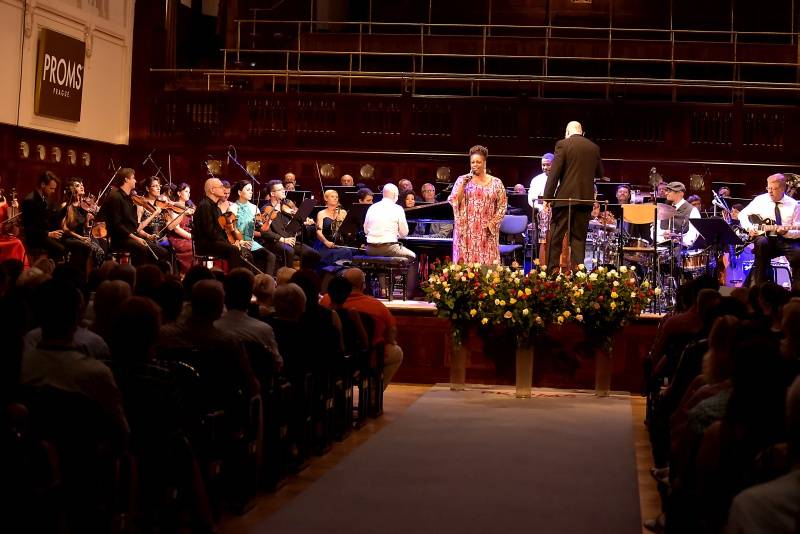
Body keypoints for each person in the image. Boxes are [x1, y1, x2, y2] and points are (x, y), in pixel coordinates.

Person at [543, 121, 604, 272]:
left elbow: (554, 173)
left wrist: (548, 197)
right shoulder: (593, 147)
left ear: (567, 132)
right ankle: (579, 273)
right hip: (585, 199)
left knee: (556, 236)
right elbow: (600, 173)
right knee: (579, 238)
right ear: (582, 132)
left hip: (565, 199)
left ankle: (552, 272)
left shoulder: (563, 144)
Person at [447, 145, 507, 265]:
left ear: (485, 163)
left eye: (478, 162)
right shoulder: (462, 180)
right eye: (472, 162)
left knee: (487, 270)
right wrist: (463, 185)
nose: (475, 165)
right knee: (466, 270)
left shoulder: (496, 182)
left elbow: (502, 205)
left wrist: (493, 223)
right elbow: (454, 201)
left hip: (487, 231)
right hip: (467, 233)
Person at [737, 173, 800, 285]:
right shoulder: (760, 200)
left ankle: (796, 290)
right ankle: (760, 285)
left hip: (786, 241)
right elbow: (742, 214)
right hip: (767, 240)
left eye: (774, 189)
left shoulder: (794, 205)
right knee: (761, 242)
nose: (770, 191)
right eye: (768, 188)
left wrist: (787, 232)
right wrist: (749, 227)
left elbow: (798, 231)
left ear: (783, 188)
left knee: (798, 253)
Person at [101, 168, 169, 265]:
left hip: (131, 237)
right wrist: (136, 238)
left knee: (163, 252)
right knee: (143, 250)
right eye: (133, 178)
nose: (135, 181)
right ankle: (140, 276)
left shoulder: (129, 199)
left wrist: (146, 236)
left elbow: (135, 225)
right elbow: (118, 225)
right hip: (121, 239)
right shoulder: (116, 197)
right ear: (126, 180)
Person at [260, 179, 320, 269]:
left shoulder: (286, 206)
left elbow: (292, 225)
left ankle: (303, 275)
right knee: (289, 251)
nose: (283, 190)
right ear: (272, 194)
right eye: (280, 189)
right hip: (275, 241)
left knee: (314, 254)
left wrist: (303, 222)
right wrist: (282, 239)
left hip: (290, 240)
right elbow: (265, 232)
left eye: (283, 188)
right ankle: (287, 278)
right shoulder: (266, 209)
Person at [192, 177, 246, 270]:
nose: (224, 189)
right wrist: (226, 242)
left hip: (214, 241)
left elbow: (222, 229)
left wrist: (232, 241)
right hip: (205, 244)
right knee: (234, 250)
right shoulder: (205, 206)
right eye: (221, 187)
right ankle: (234, 279)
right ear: (212, 190)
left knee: (243, 251)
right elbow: (210, 232)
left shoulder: (216, 207)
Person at [232, 180, 277, 275]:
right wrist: (241, 241)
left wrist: (268, 221)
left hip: (250, 242)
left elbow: (262, 228)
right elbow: (231, 229)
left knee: (271, 256)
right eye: (248, 190)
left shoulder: (254, 208)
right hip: (238, 242)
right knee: (248, 256)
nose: (251, 192)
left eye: (251, 190)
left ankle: (267, 282)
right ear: (240, 192)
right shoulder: (232, 208)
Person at [363, 183, 415, 260]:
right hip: (389, 249)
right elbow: (404, 233)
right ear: (395, 195)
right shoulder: (398, 208)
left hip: (370, 249)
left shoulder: (372, 207)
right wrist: (395, 233)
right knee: (412, 256)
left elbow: (366, 231)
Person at [61, 179, 104, 270]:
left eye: (82, 185)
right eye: (78, 185)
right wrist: (81, 238)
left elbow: (86, 227)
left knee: (102, 248)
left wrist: (88, 221)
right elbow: (65, 229)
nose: (82, 186)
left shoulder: (84, 205)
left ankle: (94, 273)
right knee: (91, 249)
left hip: (83, 235)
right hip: (71, 237)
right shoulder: (67, 206)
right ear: (72, 189)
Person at [21, 171, 65, 261]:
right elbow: (30, 228)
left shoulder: (43, 199)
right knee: (61, 249)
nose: (53, 191)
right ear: (42, 184)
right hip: (35, 238)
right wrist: (49, 234)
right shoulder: (30, 201)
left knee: (66, 243)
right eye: (51, 188)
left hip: (42, 235)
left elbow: (46, 219)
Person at [313, 189, 353, 266]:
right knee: (341, 253)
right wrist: (326, 242)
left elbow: (348, 232)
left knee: (348, 251)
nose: (335, 198)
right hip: (324, 244)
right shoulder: (321, 213)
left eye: (336, 197)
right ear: (326, 198)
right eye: (332, 196)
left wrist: (342, 221)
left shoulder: (342, 212)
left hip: (338, 244)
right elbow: (318, 232)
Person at [656, 181, 701, 248]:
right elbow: (654, 229)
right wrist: (663, 236)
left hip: (682, 251)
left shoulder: (692, 210)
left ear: (680, 193)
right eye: (666, 191)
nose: (666, 193)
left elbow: (694, 233)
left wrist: (679, 241)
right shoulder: (663, 208)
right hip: (662, 249)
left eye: (669, 191)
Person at [165, 182, 194, 275]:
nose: (188, 194)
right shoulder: (173, 207)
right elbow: (176, 229)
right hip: (178, 238)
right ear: (179, 193)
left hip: (189, 235)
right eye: (186, 191)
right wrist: (192, 237)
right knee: (192, 247)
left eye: (189, 192)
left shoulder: (190, 207)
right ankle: (185, 274)